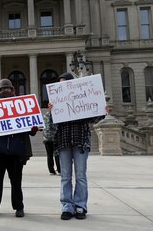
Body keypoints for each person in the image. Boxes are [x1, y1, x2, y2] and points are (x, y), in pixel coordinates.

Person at [49, 72, 106, 220]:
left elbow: (95, 116)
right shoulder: (58, 102)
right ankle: (67, 206)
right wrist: (51, 111)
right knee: (65, 176)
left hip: (80, 140)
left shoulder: (81, 98)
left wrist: (102, 110)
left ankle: (80, 206)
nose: (61, 87)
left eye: (63, 84)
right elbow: (51, 124)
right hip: (63, 142)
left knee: (80, 176)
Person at [0, 79, 38, 218]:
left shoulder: (21, 105)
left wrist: (33, 129)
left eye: (9, 89)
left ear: (13, 90)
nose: (6, 91)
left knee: (16, 181)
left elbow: (28, 125)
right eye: (3, 89)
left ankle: (19, 207)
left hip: (16, 150)